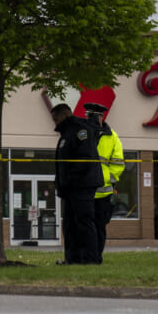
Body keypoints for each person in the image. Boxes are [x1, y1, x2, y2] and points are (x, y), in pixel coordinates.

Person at [51, 103, 101, 264]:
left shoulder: (80, 130)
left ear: (63, 115)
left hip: (82, 185)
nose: (54, 122)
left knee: (84, 222)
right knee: (70, 225)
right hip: (70, 188)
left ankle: (90, 258)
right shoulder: (67, 133)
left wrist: (70, 179)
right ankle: (72, 258)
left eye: (55, 118)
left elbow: (85, 159)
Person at [85, 102, 125, 261]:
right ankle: (87, 256)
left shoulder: (112, 136)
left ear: (102, 117)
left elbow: (118, 163)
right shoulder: (83, 133)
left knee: (99, 227)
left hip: (104, 193)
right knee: (86, 228)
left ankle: (96, 256)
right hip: (85, 191)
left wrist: (108, 181)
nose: (91, 119)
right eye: (89, 115)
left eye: (94, 116)